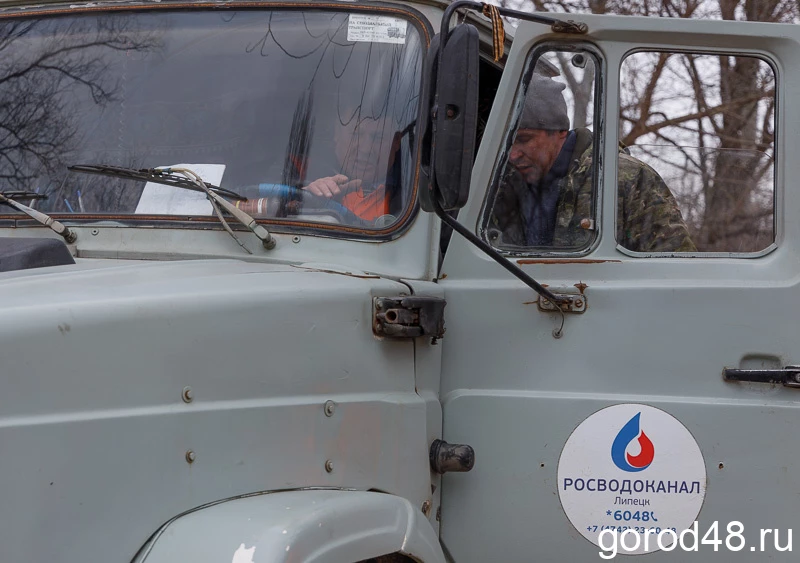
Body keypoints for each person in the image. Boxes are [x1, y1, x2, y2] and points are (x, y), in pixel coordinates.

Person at [488, 74, 697, 253]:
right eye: (507, 142)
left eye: (524, 139)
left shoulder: (624, 179)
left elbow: (672, 267)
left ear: (560, 131)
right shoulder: (498, 184)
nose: (513, 155)